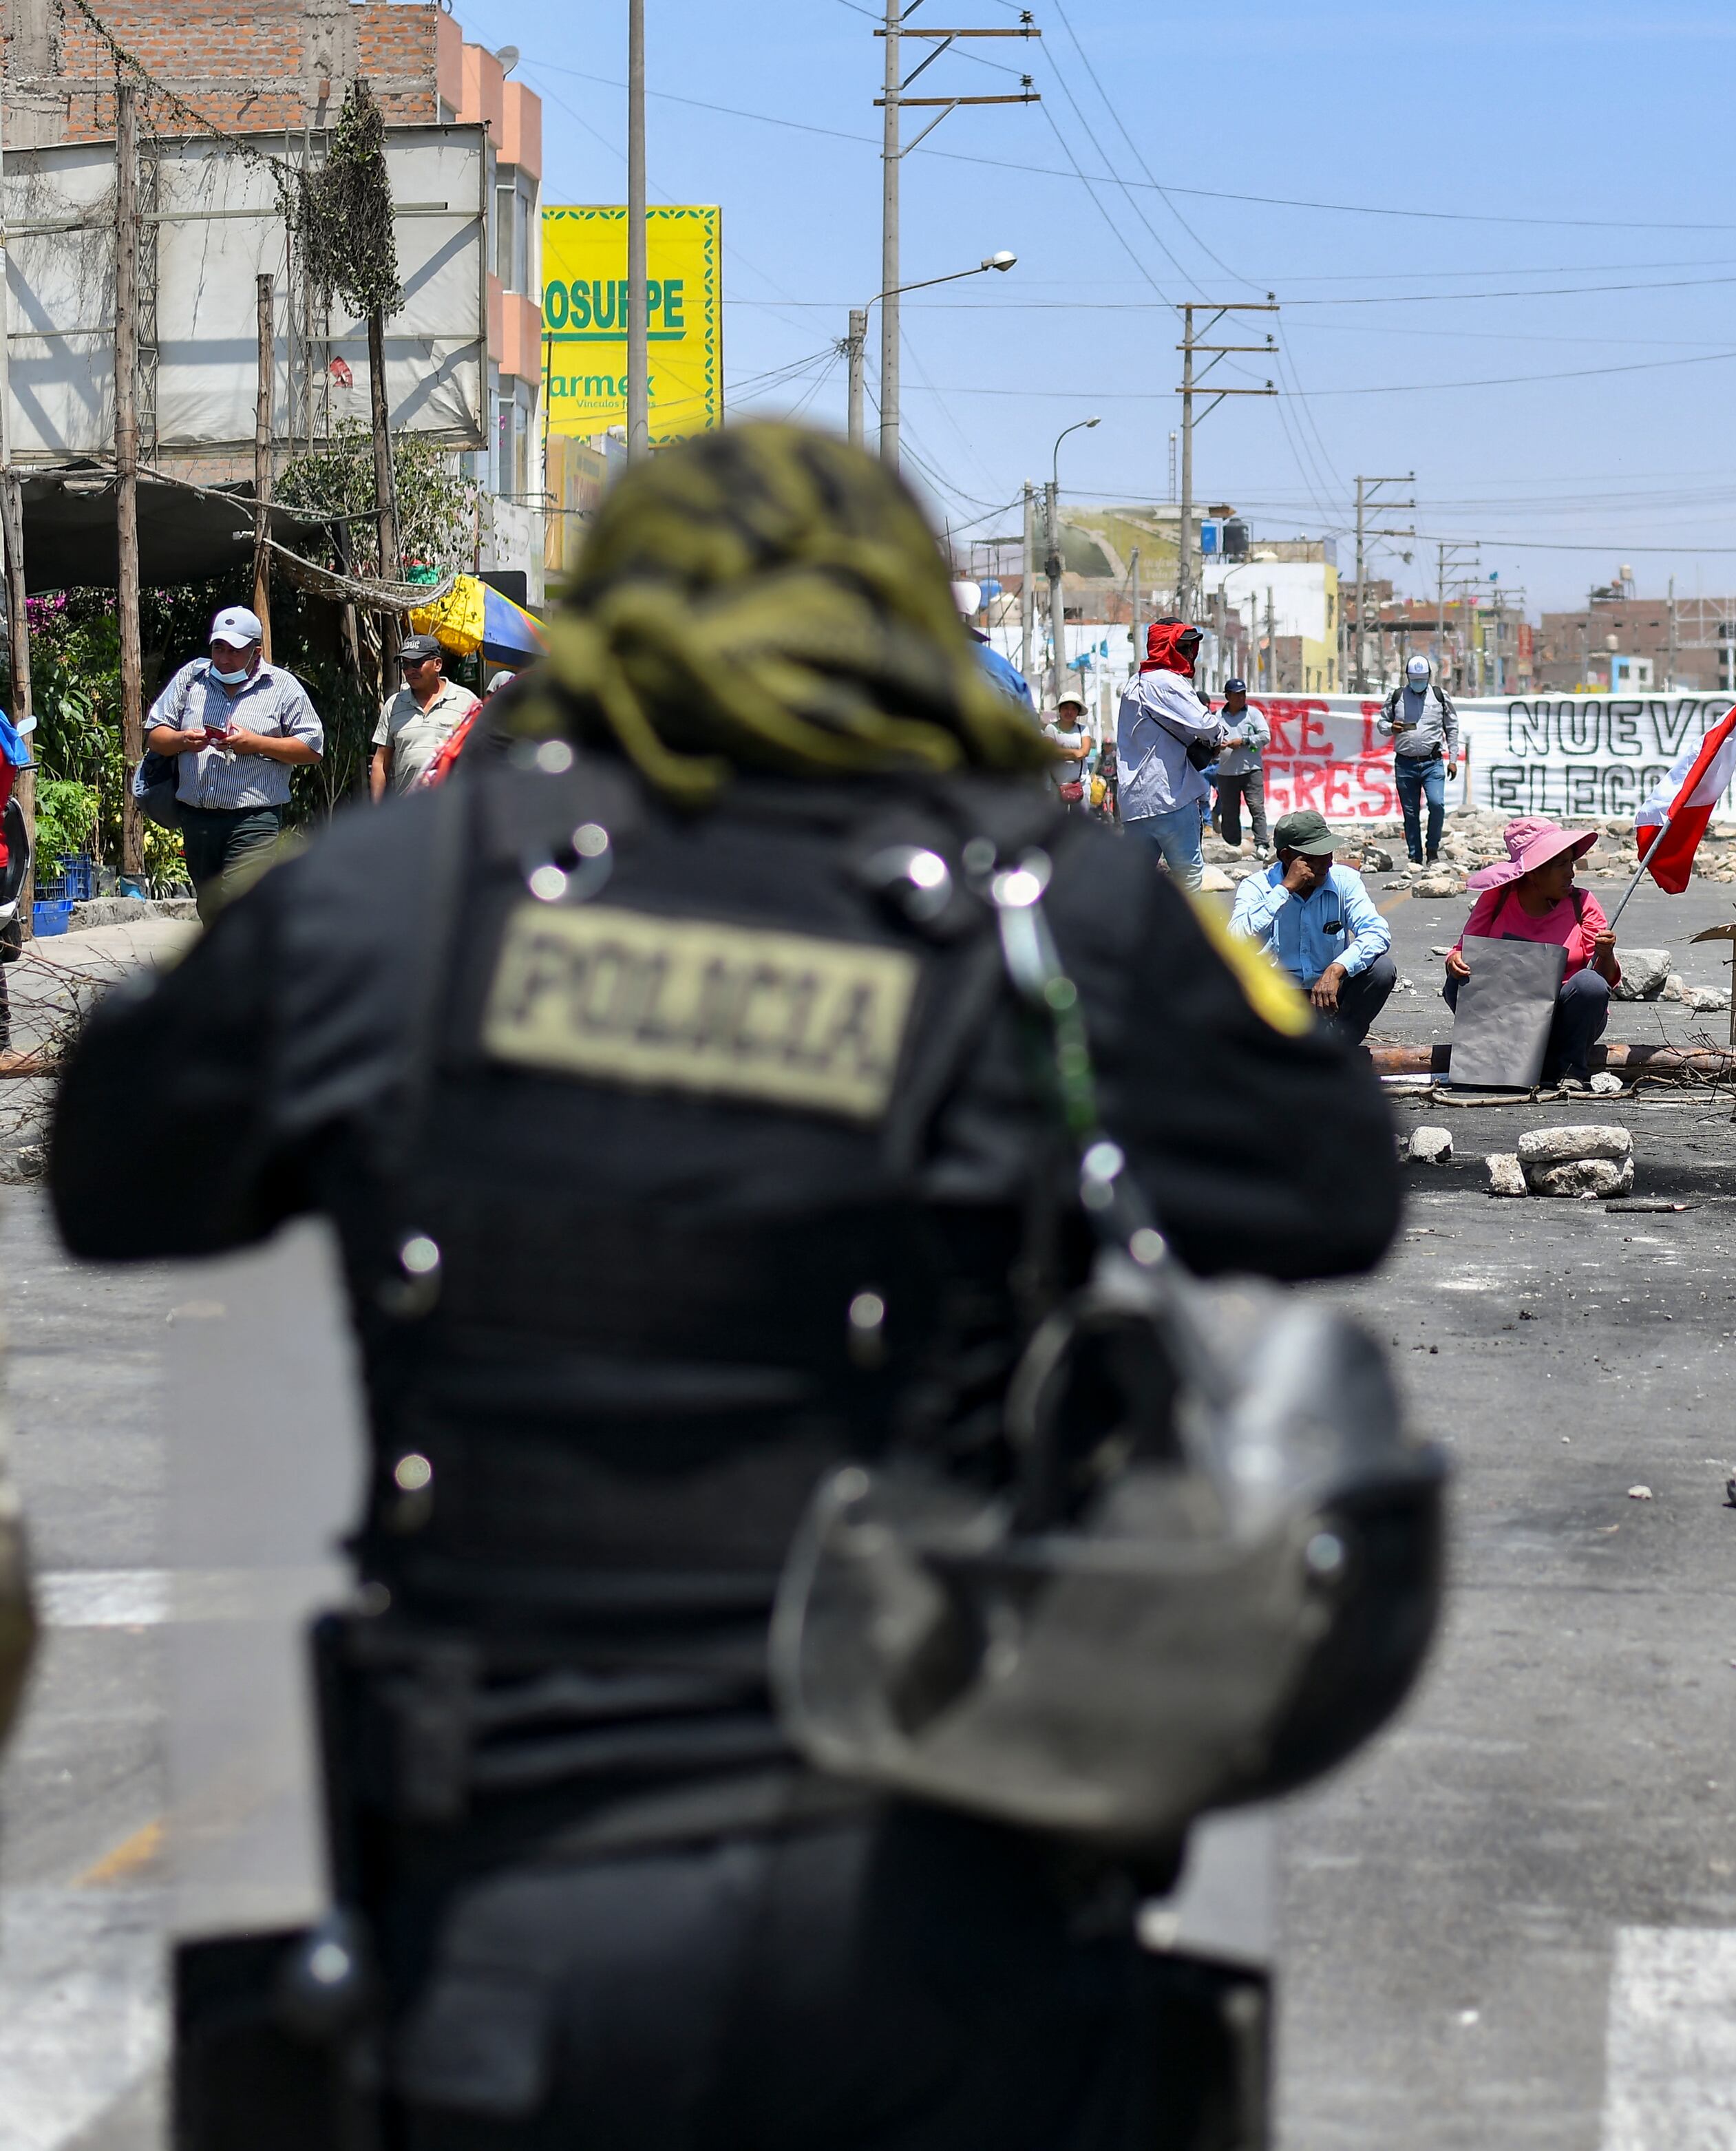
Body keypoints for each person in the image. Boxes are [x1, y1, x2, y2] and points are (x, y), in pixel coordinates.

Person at [46, 423, 1403, 2145]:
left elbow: (116, 1175)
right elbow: (1331, 1183)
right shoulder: (1039, 911)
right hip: (946, 1900)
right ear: (907, 623)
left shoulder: (411, 896)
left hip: (503, 1916)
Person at [144, 604, 322, 918]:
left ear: (256, 651)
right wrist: (183, 740)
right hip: (198, 819)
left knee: (238, 905)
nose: (224, 659)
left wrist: (255, 743)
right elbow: (154, 734)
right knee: (211, 909)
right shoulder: (191, 678)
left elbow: (312, 748)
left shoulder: (281, 686)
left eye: (235, 651)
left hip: (254, 819)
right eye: (218, 648)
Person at [1444, 816, 1620, 1089]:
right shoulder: (1497, 898)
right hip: (1507, 1020)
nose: (1570, 874)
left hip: (1564, 1021)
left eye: (1570, 863)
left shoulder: (1582, 903)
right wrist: (1454, 962)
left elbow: (1604, 981)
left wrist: (1606, 954)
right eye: (1561, 865)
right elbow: (1463, 951)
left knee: (1590, 985)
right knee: (1458, 982)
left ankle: (1570, 1069)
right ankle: (1495, 1062)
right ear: (1534, 871)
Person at [1229, 808, 1396, 1043]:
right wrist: (1284, 891)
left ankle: (1338, 1047)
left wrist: (1338, 968)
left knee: (1381, 970)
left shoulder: (1344, 881)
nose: (1327, 862)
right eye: (1315, 856)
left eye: (1329, 852)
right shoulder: (1257, 887)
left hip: (1327, 995)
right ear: (1287, 857)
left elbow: (1377, 932)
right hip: (1276, 998)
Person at [1114, 616, 1222, 884]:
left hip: (1134, 803)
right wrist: (1217, 738)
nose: (1189, 655)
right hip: (1170, 796)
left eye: (1190, 649)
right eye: (1183, 648)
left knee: (1135, 881)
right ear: (1168, 647)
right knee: (1190, 878)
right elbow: (1207, 725)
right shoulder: (1167, 681)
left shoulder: (1133, 683)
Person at [370, 633, 482, 799]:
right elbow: (380, 761)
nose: (409, 671)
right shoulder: (394, 705)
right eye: (405, 665)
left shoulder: (466, 701)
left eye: (416, 663)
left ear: (437, 665)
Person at [1383, 654, 1459, 865]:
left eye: (1422, 678)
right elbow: (1381, 722)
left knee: (1437, 804)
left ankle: (1432, 849)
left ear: (1429, 677)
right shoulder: (1396, 696)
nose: (1419, 683)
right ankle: (1415, 855)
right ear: (1408, 677)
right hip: (1405, 764)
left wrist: (1453, 758)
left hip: (1432, 763)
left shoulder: (1439, 696)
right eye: (1415, 679)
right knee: (1410, 813)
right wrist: (1391, 727)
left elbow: (1451, 728)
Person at [1212, 677, 1271, 850]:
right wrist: (1219, 745)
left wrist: (1244, 741)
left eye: (1243, 694)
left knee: (1256, 807)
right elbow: (1210, 739)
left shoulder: (1253, 714)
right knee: (1230, 811)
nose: (1240, 698)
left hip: (1251, 770)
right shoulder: (1218, 717)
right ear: (1227, 696)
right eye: (1236, 694)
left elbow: (1265, 736)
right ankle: (1233, 845)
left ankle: (1262, 843)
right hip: (1227, 771)